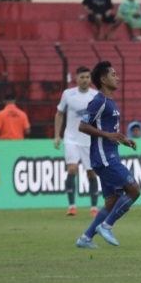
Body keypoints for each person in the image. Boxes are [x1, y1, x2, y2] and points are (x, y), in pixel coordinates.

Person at [74, 62, 141, 249]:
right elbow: (82, 126)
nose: (117, 78)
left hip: (110, 155)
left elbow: (110, 130)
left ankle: (85, 238)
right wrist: (106, 135)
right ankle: (107, 225)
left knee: (111, 202)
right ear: (103, 80)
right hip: (104, 158)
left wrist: (123, 140)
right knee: (134, 190)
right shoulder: (99, 101)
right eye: (113, 74)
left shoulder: (110, 102)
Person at [54, 66, 100, 216]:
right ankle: (72, 206)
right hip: (71, 138)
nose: (85, 80)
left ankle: (94, 207)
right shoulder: (68, 94)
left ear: (90, 79)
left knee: (91, 173)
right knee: (72, 169)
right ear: (76, 78)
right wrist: (57, 135)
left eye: (87, 77)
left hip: (89, 140)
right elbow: (59, 113)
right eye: (82, 77)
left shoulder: (96, 95)